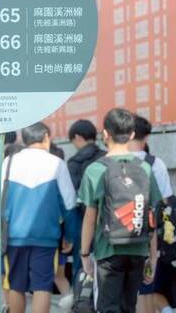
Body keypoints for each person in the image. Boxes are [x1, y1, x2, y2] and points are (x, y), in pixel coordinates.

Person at [79, 108, 163, 313]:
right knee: (129, 307)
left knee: (108, 307)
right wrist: (153, 257)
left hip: (107, 250)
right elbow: (152, 215)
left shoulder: (95, 170)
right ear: (132, 134)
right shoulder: (144, 168)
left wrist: (85, 254)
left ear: (105, 134)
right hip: (138, 248)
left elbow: (90, 217)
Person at [2, 123, 77, 313]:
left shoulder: (9, 162)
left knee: (16, 284)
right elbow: (69, 204)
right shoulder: (56, 163)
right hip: (46, 236)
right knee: (42, 285)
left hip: (14, 236)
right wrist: (69, 236)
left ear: (24, 139)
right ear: (45, 137)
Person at [128, 116, 174, 313]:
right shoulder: (156, 164)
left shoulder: (107, 162)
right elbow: (165, 202)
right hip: (148, 238)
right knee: (146, 289)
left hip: (114, 239)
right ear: (146, 137)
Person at [66, 119, 106, 279]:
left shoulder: (74, 163)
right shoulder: (106, 157)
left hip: (83, 223)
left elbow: (70, 198)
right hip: (109, 224)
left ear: (77, 137)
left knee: (82, 271)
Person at [49, 143, 74, 312]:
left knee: (53, 276)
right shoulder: (64, 180)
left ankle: (70, 304)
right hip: (61, 236)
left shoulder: (50, 184)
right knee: (59, 276)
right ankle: (71, 304)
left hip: (52, 237)